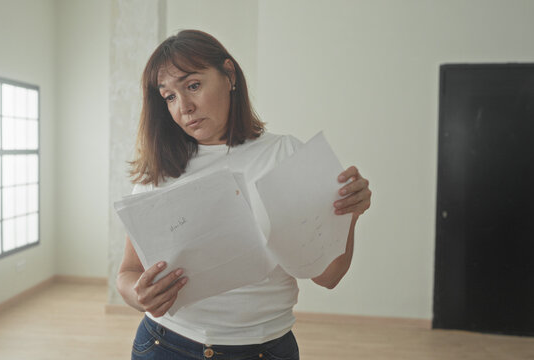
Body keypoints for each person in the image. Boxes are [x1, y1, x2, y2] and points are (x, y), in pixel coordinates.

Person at [116, 29, 371, 360]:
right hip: (166, 345)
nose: (184, 108)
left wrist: (350, 213)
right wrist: (141, 296)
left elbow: (329, 276)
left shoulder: (284, 155)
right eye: (169, 97)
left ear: (229, 75)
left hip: (264, 349)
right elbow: (127, 273)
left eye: (193, 86)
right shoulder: (160, 170)